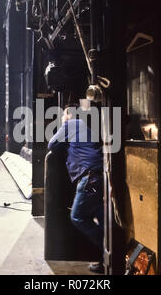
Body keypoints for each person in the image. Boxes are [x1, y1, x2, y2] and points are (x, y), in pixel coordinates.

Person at [48, 105, 104, 274]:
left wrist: (64, 131)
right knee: (101, 218)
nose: (63, 118)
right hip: (100, 176)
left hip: (88, 178)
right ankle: (105, 259)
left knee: (77, 216)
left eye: (64, 115)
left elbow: (52, 144)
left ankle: (108, 247)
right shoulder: (89, 126)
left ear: (70, 114)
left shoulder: (72, 124)